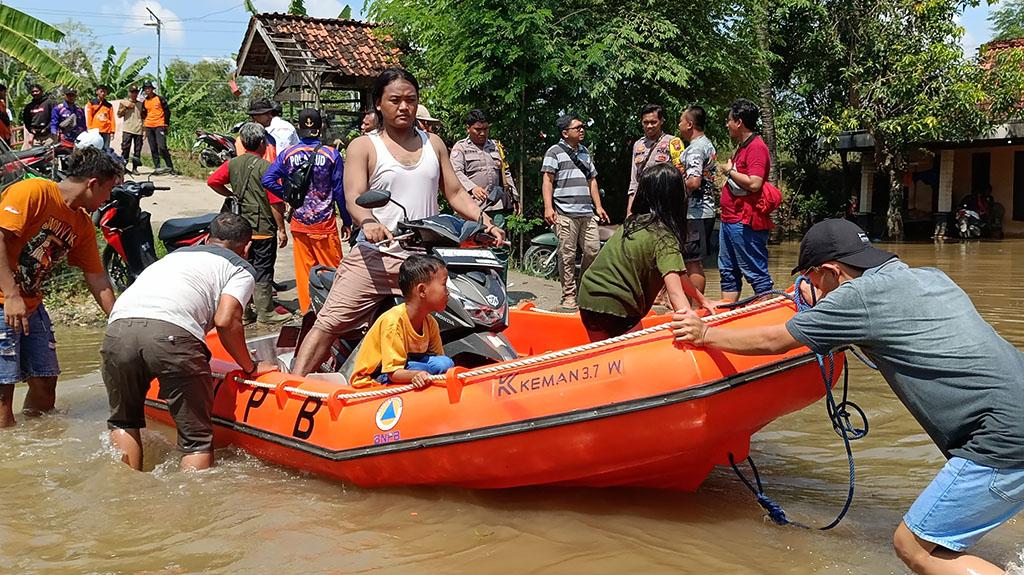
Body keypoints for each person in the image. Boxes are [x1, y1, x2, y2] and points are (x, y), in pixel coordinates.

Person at [671, 218, 1024, 575]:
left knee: (914, 546)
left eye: (812, 282)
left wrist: (704, 334)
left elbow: (774, 341)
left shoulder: (856, 298)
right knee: (950, 536)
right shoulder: (932, 276)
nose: (815, 293)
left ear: (831, 271)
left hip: (1002, 435)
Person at [289, 67, 504, 377]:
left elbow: (455, 192)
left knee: (469, 313)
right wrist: (368, 222)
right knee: (330, 323)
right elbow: (354, 196)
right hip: (377, 255)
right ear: (379, 103)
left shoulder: (434, 144)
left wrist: (485, 221)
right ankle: (294, 387)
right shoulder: (363, 146)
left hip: (424, 259)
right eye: (395, 100)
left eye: (411, 100)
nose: (404, 107)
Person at [102, 213, 277, 471]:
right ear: (247, 247)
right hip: (172, 335)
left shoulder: (173, 257)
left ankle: (126, 494)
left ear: (207, 238)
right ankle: (193, 507)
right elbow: (226, 321)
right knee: (196, 441)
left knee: (124, 422)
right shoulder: (240, 268)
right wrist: (250, 367)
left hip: (117, 332)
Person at [0, 147, 121, 428]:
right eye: (108, 191)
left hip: (31, 303)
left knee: (45, 382)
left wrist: (117, 320)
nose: (108, 199)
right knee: (3, 392)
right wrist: (13, 295)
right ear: (93, 184)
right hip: (6, 299)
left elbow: (96, 276)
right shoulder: (34, 192)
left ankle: (34, 445)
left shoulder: (82, 224)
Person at [578, 163, 713, 342]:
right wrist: (694, 330)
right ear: (676, 198)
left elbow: (679, 275)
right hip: (618, 307)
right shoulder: (664, 237)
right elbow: (676, 294)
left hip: (588, 299)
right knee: (631, 353)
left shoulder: (632, 223)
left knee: (606, 357)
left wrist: (702, 300)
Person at [262, 108, 351, 314]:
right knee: (332, 271)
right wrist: (346, 220)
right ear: (320, 128)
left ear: (300, 128)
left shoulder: (288, 154)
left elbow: (267, 179)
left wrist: (289, 195)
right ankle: (334, 313)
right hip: (325, 224)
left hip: (300, 223)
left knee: (304, 271)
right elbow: (339, 190)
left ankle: (307, 311)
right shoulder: (331, 154)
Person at [208, 122, 290, 324]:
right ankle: (266, 312)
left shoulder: (233, 164)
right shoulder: (267, 168)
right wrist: (281, 229)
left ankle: (245, 312)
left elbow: (213, 181)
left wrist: (231, 195)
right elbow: (275, 203)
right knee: (263, 267)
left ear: (243, 143)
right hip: (262, 228)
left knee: (243, 266)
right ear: (262, 143)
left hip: (240, 229)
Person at [349, 254, 454, 388]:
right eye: (444, 285)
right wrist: (416, 375)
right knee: (434, 367)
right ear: (422, 290)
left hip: (409, 366)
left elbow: (440, 363)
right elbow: (393, 372)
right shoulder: (393, 322)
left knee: (445, 363)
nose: (448, 292)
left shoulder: (430, 322)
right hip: (377, 377)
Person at [541, 113, 610, 311]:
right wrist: (548, 207)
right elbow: (547, 180)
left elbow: (592, 180)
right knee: (567, 255)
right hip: (564, 211)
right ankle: (568, 295)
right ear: (565, 133)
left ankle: (582, 290)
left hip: (586, 212)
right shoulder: (554, 152)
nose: (582, 130)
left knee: (593, 250)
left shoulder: (585, 152)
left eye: (582, 127)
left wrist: (598, 206)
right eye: (577, 127)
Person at [718, 98, 773, 302]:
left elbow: (755, 183)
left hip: (744, 222)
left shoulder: (756, 148)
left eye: (729, 120)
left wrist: (729, 170)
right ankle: (727, 316)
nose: (727, 124)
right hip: (729, 219)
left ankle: (767, 315)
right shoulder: (743, 146)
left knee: (756, 273)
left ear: (739, 122)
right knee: (728, 273)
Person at [678, 105, 718, 294]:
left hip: (696, 212)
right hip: (704, 210)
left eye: (680, 120)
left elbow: (693, 181)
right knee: (692, 260)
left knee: (692, 261)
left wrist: (673, 188)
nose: (678, 124)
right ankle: (694, 305)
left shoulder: (696, 148)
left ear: (689, 124)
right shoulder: (706, 144)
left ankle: (695, 308)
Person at [450, 108, 518, 214]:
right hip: (471, 206)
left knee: (499, 231)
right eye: (478, 129)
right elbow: (456, 172)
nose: (482, 133)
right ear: (468, 128)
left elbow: (505, 172)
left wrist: (515, 197)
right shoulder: (460, 148)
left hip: (496, 205)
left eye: (486, 129)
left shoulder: (495, 146)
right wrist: (473, 188)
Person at [627, 104, 683, 216]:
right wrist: (629, 211)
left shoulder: (673, 142)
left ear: (661, 121)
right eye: (645, 122)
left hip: (665, 201)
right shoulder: (638, 145)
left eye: (653, 122)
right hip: (643, 201)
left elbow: (680, 175)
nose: (649, 126)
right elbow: (634, 180)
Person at [140, 80, 174, 174]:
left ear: (152, 89)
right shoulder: (145, 102)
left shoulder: (159, 99)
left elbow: (167, 111)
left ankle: (170, 167)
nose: (148, 90)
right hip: (149, 126)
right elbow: (143, 114)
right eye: (146, 89)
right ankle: (157, 167)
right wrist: (145, 126)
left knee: (162, 146)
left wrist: (166, 123)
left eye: (149, 88)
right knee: (153, 148)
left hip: (159, 124)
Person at [117, 86, 144, 174]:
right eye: (132, 92)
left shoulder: (140, 104)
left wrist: (144, 130)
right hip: (127, 129)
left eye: (136, 92)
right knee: (125, 149)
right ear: (129, 93)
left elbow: (144, 117)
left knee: (137, 150)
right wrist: (125, 107)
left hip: (138, 129)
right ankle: (123, 167)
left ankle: (135, 168)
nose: (134, 94)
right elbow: (119, 115)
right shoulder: (124, 103)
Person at [21, 84, 54, 149]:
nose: (35, 93)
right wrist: (31, 129)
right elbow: (26, 120)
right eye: (33, 92)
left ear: (41, 91)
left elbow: (54, 118)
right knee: (37, 155)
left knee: (48, 154)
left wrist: (47, 128)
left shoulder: (49, 103)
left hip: (48, 136)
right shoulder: (29, 107)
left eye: (36, 91)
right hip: (36, 136)